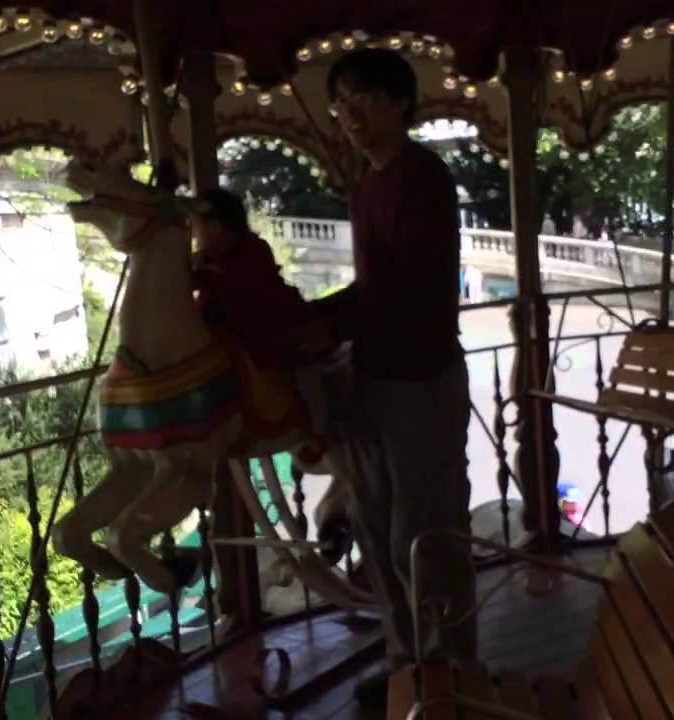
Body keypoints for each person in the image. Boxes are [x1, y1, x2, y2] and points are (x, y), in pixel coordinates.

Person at [317, 48, 477, 704]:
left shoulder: (422, 177)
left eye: (363, 99)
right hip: (376, 380)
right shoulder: (369, 185)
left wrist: (321, 321)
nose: (349, 113)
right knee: (380, 532)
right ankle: (407, 660)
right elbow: (374, 289)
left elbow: (401, 287)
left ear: (399, 104)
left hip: (418, 381)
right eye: (341, 102)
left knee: (425, 534)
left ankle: (451, 672)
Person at [188, 188, 331, 436]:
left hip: (272, 337)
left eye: (196, 226)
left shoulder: (253, 251)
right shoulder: (209, 259)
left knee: (304, 370)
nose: (193, 234)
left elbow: (242, 289)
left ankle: (318, 428)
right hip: (237, 343)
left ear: (215, 228)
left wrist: (205, 271)